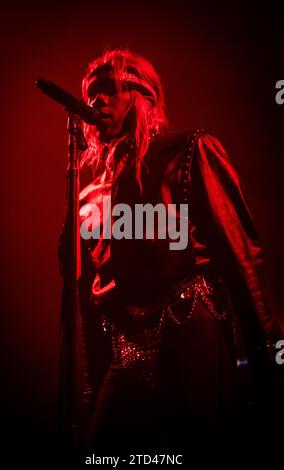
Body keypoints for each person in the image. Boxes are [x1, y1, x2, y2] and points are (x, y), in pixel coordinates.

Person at [59, 48, 282, 454]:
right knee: (104, 454)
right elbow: (91, 300)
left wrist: (268, 362)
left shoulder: (190, 152)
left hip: (189, 332)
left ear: (143, 95)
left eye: (110, 89)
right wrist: (90, 389)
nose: (97, 102)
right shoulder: (90, 196)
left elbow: (243, 253)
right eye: (91, 94)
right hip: (127, 351)